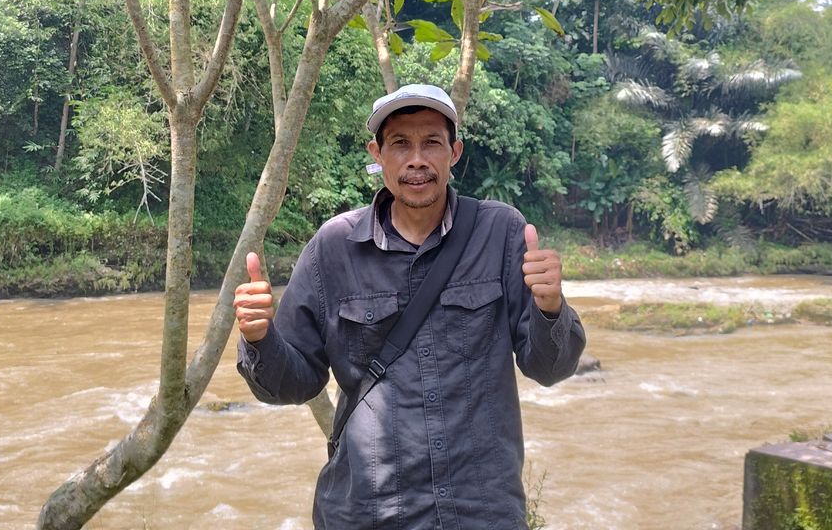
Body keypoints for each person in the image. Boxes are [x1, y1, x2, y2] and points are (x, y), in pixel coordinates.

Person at [235, 83, 587, 529]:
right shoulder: (334, 248)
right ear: (377, 154)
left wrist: (551, 307)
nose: (416, 159)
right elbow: (294, 383)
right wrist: (258, 338)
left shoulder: (500, 232)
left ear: (454, 152)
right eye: (400, 143)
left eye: (431, 143)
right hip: (370, 513)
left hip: (481, 513)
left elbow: (550, 368)